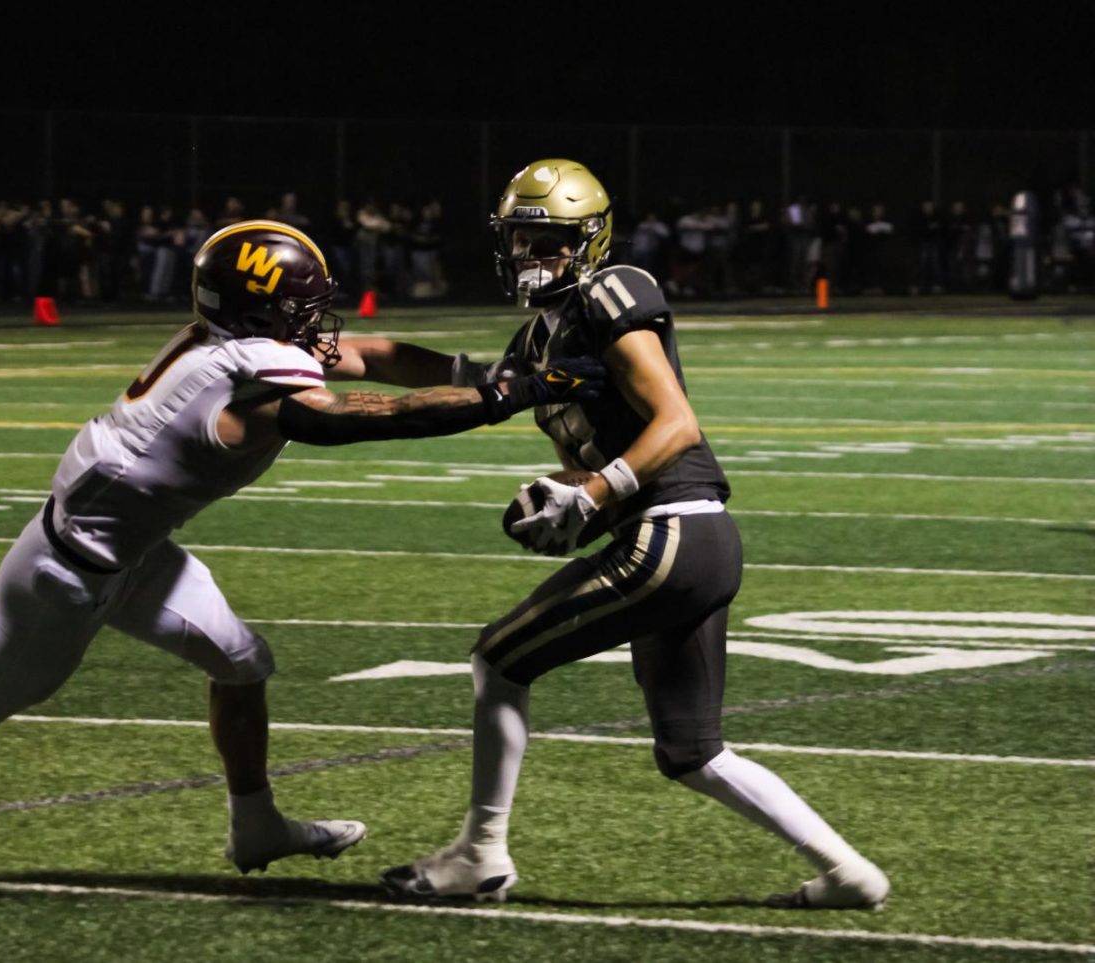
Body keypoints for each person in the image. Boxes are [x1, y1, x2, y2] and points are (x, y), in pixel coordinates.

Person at [0, 219, 602, 875]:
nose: (316, 319)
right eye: (302, 304)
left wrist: (475, 371)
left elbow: (373, 354)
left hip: (128, 553)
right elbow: (370, 416)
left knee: (240, 661)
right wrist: (515, 393)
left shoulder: (226, 343)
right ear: (264, 310)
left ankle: (255, 827)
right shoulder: (257, 376)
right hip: (64, 577)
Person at [377, 160, 890, 909]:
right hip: (691, 542)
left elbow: (676, 423)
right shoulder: (536, 341)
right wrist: (349, 354)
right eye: (520, 238)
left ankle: (479, 855)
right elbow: (456, 376)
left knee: (498, 659)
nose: (529, 256)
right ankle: (850, 871)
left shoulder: (611, 291)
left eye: (546, 240)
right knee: (693, 752)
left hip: (672, 533)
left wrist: (589, 495)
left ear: (588, 240)